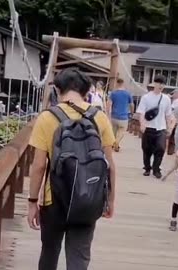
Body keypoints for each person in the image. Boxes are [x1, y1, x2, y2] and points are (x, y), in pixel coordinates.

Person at [27, 68, 116, 270]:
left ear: (58, 90)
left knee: (49, 253)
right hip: (88, 197)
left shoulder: (47, 117)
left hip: (54, 200)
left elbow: (39, 166)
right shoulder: (100, 117)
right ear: (86, 92)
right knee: (79, 258)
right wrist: (109, 200)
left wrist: (33, 202)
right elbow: (109, 165)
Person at [136, 75, 175, 179]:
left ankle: (156, 169)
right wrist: (142, 124)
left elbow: (168, 114)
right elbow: (141, 113)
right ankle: (147, 168)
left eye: (163, 83)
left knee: (161, 148)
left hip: (160, 127)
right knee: (146, 149)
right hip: (148, 127)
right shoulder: (146, 97)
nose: (161, 85)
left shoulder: (166, 99)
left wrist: (169, 127)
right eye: (159, 83)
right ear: (154, 84)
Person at [107, 78, 134, 152]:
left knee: (114, 132)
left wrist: (107, 113)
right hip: (124, 117)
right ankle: (117, 142)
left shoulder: (113, 93)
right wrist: (132, 113)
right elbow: (131, 104)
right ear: (123, 83)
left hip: (114, 116)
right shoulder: (128, 93)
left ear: (117, 83)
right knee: (121, 131)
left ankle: (115, 144)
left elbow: (109, 104)